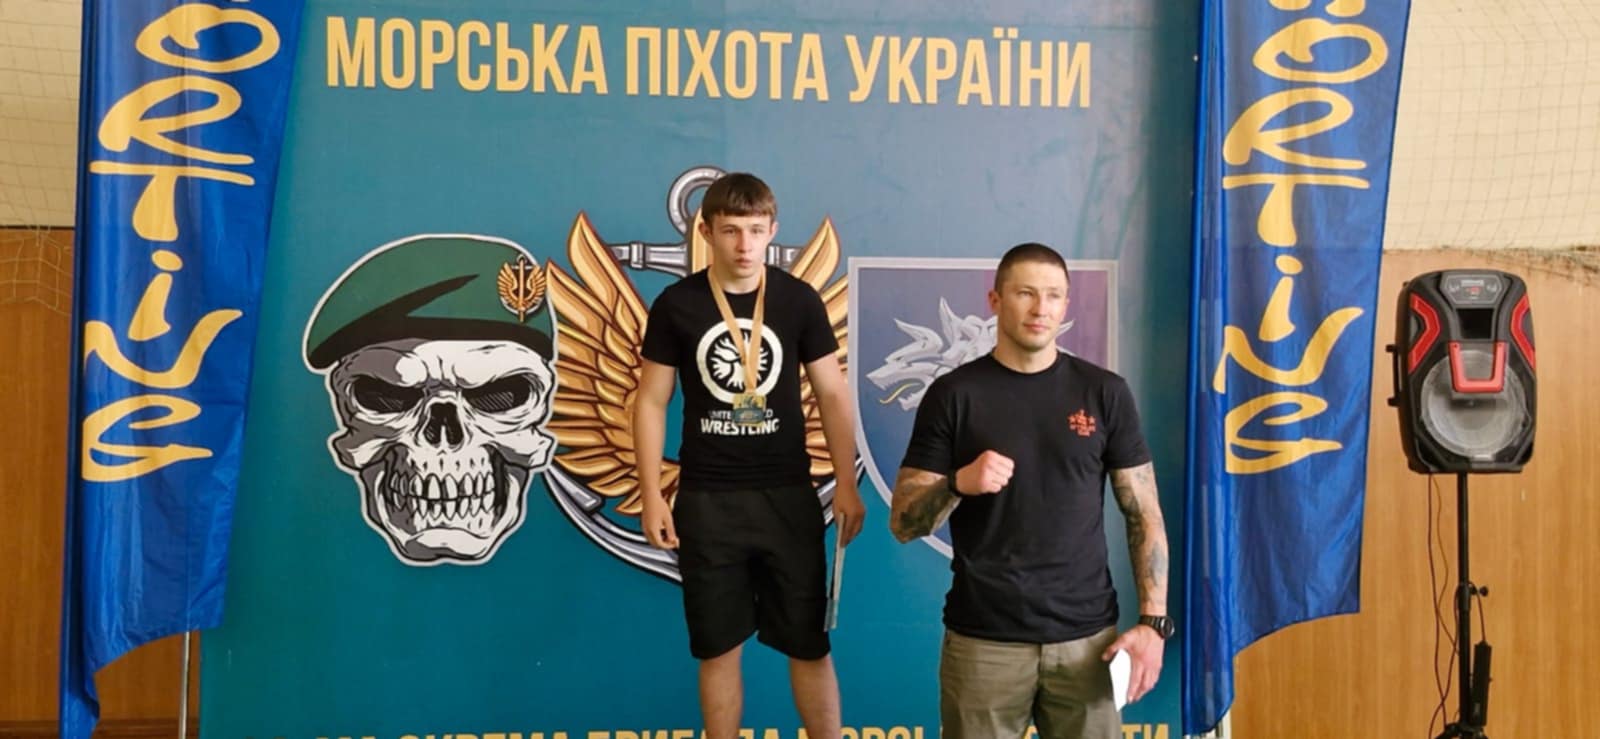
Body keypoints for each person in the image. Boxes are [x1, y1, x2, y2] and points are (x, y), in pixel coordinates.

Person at [888, 242, 1171, 739]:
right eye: (1025, 293)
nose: (1041, 308)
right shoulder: (954, 395)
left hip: (1087, 642)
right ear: (995, 300)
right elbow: (904, 522)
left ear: (1066, 304)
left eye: (1053, 296)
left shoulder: (1104, 392)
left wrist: (1154, 623)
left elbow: (1143, 511)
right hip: (984, 642)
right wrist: (959, 482)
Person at [632, 172, 866, 739]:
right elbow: (651, 401)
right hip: (708, 500)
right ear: (706, 232)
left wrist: (846, 482)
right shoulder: (677, 304)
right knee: (718, 650)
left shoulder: (797, 299)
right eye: (731, 230)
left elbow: (833, 394)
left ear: (773, 231)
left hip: (788, 497)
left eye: (756, 230)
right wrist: (651, 494)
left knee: (810, 645)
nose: (744, 245)